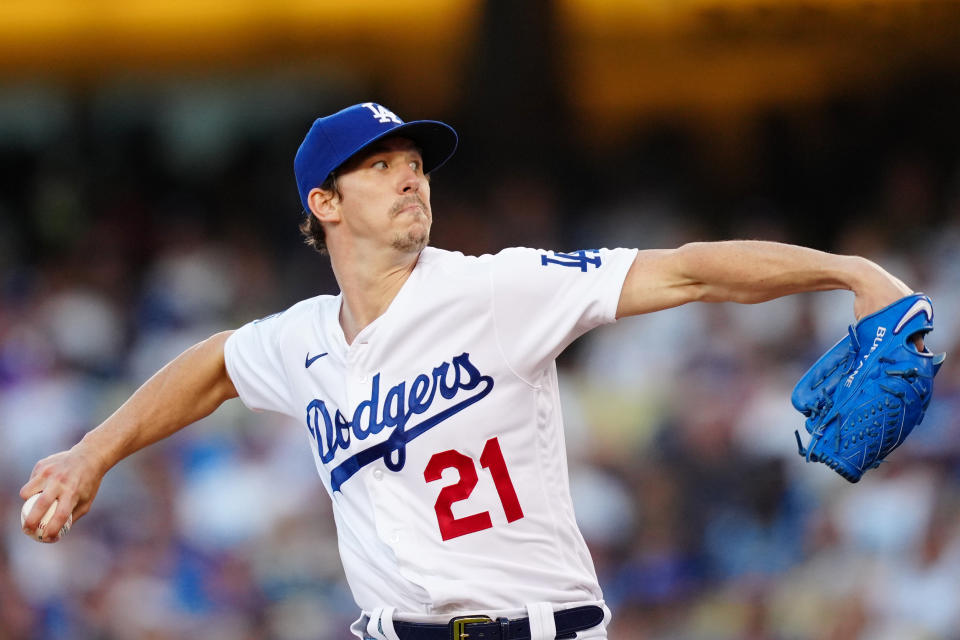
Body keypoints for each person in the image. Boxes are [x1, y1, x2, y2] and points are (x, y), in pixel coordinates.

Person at [21, 102, 917, 640]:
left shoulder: (497, 289)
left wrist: (848, 271)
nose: (411, 178)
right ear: (323, 204)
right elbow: (214, 363)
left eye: (415, 164)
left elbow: (684, 268)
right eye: (381, 167)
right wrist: (92, 453)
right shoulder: (301, 342)